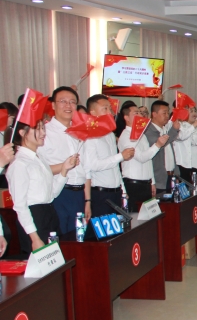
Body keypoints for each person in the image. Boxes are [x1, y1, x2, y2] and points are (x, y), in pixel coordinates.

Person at [7, 120, 78, 254]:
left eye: (43, 128)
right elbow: (20, 206)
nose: (43, 133)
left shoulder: (39, 159)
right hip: (34, 219)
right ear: (22, 133)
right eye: (38, 129)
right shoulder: (19, 163)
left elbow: (52, 194)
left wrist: (64, 169)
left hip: (49, 214)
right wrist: (34, 238)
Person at [37, 86, 90, 234]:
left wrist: (87, 200)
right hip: (58, 194)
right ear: (53, 105)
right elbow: (40, 169)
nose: (68, 105)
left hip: (79, 195)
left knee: (78, 239)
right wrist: (65, 166)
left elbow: (86, 169)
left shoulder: (79, 132)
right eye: (63, 101)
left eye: (72, 102)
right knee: (60, 238)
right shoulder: (44, 133)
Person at [83, 95, 133, 217]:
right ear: (93, 113)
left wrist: (123, 190)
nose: (110, 112)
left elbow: (115, 167)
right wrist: (120, 156)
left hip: (116, 192)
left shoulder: (110, 134)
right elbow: (93, 165)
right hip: (101, 194)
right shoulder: (89, 135)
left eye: (110, 108)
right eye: (105, 108)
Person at [118, 102, 170, 211]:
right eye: (136, 113)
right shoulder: (126, 136)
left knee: (148, 216)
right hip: (133, 183)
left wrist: (152, 181)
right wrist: (157, 145)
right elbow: (141, 157)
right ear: (126, 117)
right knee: (135, 215)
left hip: (146, 183)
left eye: (140, 113)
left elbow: (148, 160)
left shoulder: (142, 135)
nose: (139, 116)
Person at [143, 100, 181, 193]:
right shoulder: (148, 130)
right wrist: (174, 130)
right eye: (164, 113)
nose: (167, 115)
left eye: (168, 112)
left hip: (171, 175)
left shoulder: (164, 129)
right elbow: (160, 144)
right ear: (154, 114)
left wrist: (176, 173)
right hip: (159, 179)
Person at [173, 105, 197, 178]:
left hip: (193, 164)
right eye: (191, 111)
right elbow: (182, 136)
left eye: (195, 111)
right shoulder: (180, 125)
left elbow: (195, 141)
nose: (194, 113)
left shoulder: (192, 127)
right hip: (183, 164)